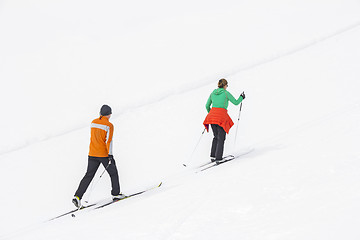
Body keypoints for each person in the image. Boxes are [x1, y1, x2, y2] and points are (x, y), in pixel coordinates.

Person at [72, 105, 125, 208]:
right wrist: (110, 155)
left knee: (88, 175)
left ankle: (77, 197)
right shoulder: (109, 125)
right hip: (103, 154)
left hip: (92, 153)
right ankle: (116, 194)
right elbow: (108, 141)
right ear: (109, 114)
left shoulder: (93, 122)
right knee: (113, 173)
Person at [203, 79, 245, 162]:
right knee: (221, 138)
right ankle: (218, 158)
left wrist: (212, 114)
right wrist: (241, 97)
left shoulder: (212, 93)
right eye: (227, 85)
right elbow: (236, 102)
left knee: (216, 136)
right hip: (221, 117)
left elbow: (207, 106)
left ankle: (213, 155)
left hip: (211, 118)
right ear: (225, 85)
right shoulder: (226, 93)